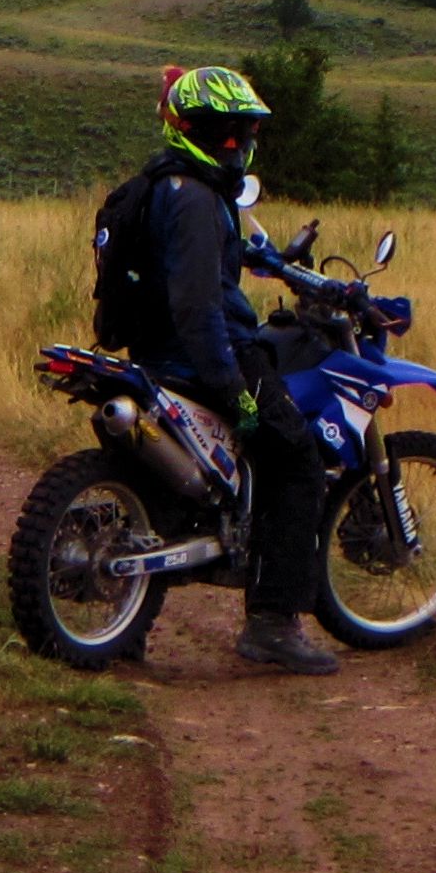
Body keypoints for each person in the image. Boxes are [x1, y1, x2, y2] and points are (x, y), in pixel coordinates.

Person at [92, 63, 337, 675]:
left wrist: (270, 258)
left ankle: (126, 629)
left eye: (244, 132)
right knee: (296, 456)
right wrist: (235, 391)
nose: (239, 144)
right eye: (228, 134)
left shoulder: (156, 187)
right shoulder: (199, 200)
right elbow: (199, 307)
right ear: (197, 132)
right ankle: (274, 623)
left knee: (156, 487)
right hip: (205, 354)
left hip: (151, 356)